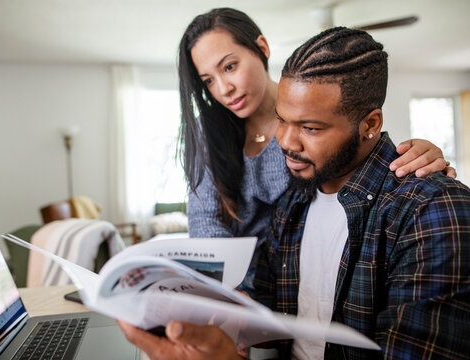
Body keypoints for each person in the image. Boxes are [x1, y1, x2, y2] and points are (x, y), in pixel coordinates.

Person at [118, 26, 470, 359]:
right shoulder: (293, 201)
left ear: (371, 124)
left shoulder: (432, 210)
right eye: (281, 120)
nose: (285, 141)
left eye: (310, 127)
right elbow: (262, 307)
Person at [179, 8, 455, 292]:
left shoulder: (322, 122)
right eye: (207, 81)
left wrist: (418, 154)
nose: (224, 89)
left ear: (261, 48)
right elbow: (205, 222)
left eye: (229, 67)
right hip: (244, 283)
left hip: (301, 274)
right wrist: (225, 290)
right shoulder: (208, 131)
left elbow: (356, 153)